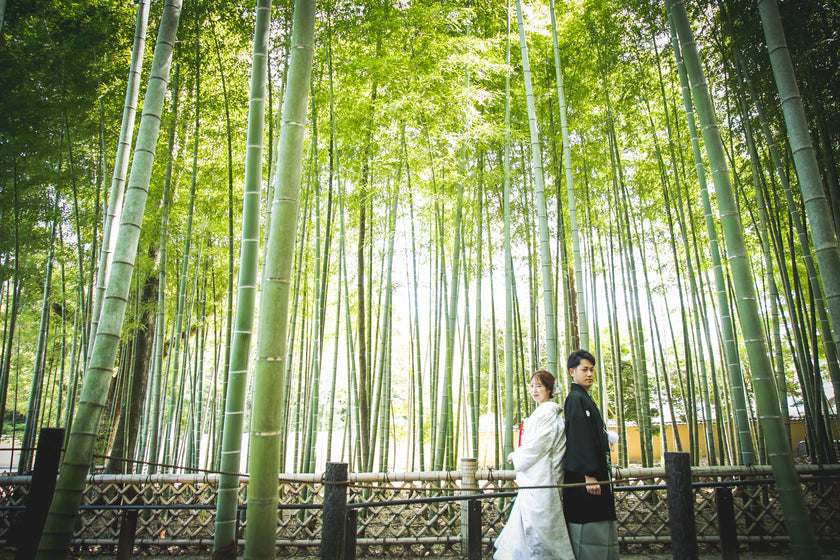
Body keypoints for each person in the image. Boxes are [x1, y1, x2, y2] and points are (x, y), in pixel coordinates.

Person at [494, 370, 574, 560]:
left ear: (549, 389)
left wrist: (517, 455)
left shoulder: (547, 412)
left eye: (539, 386)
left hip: (543, 475)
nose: (534, 390)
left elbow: (540, 445)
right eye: (532, 386)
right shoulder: (542, 412)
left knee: (542, 522)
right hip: (537, 474)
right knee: (530, 520)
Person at [563, 349, 619, 559]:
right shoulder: (575, 398)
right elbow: (579, 438)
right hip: (585, 477)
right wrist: (589, 475)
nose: (589, 374)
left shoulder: (584, 397)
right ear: (572, 371)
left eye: (592, 370)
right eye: (584, 369)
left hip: (596, 474)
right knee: (587, 525)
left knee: (599, 521)